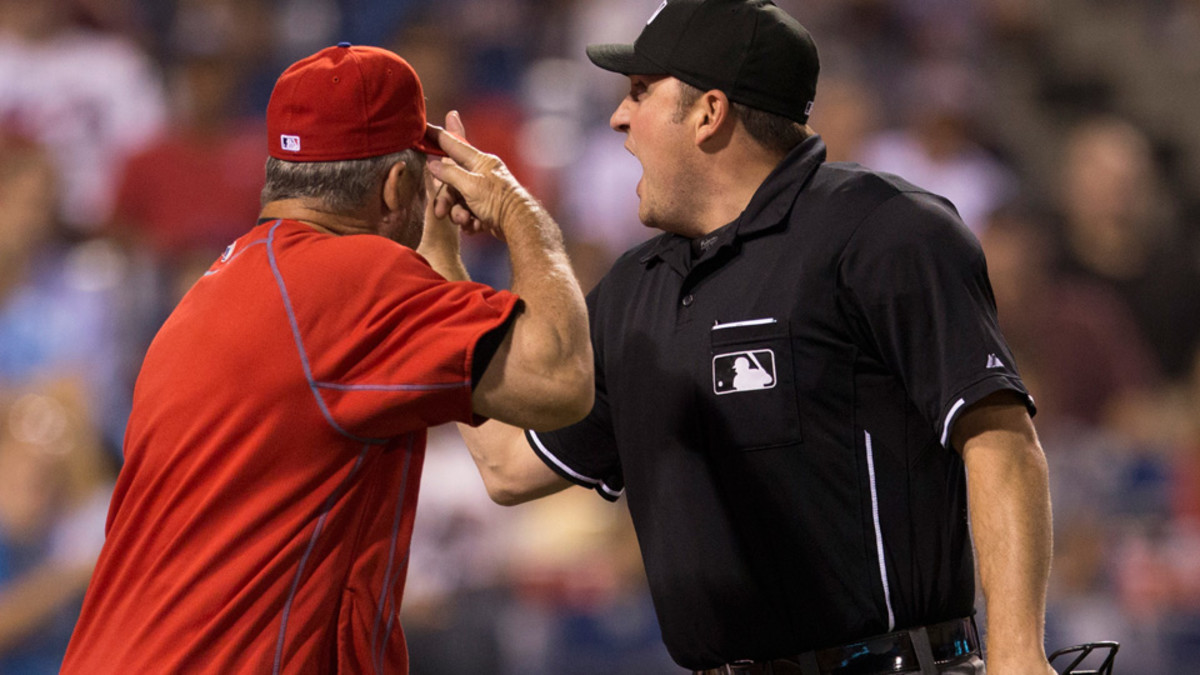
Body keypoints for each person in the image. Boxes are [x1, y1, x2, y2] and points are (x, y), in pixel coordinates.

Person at [449, 1, 1056, 673]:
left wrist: (1019, 655)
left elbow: (1000, 441)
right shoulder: (636, 288)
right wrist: (435, 263)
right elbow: (507, 462)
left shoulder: (884, 230)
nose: (620, 117)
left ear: (709, 113)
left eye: (641, 94)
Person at [60, 43, 592, 673]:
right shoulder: (347, 283)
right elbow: (560, 379)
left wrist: (438, 253)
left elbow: (501, 454)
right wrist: (517, 210)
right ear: (397, 186)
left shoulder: (231, 283)